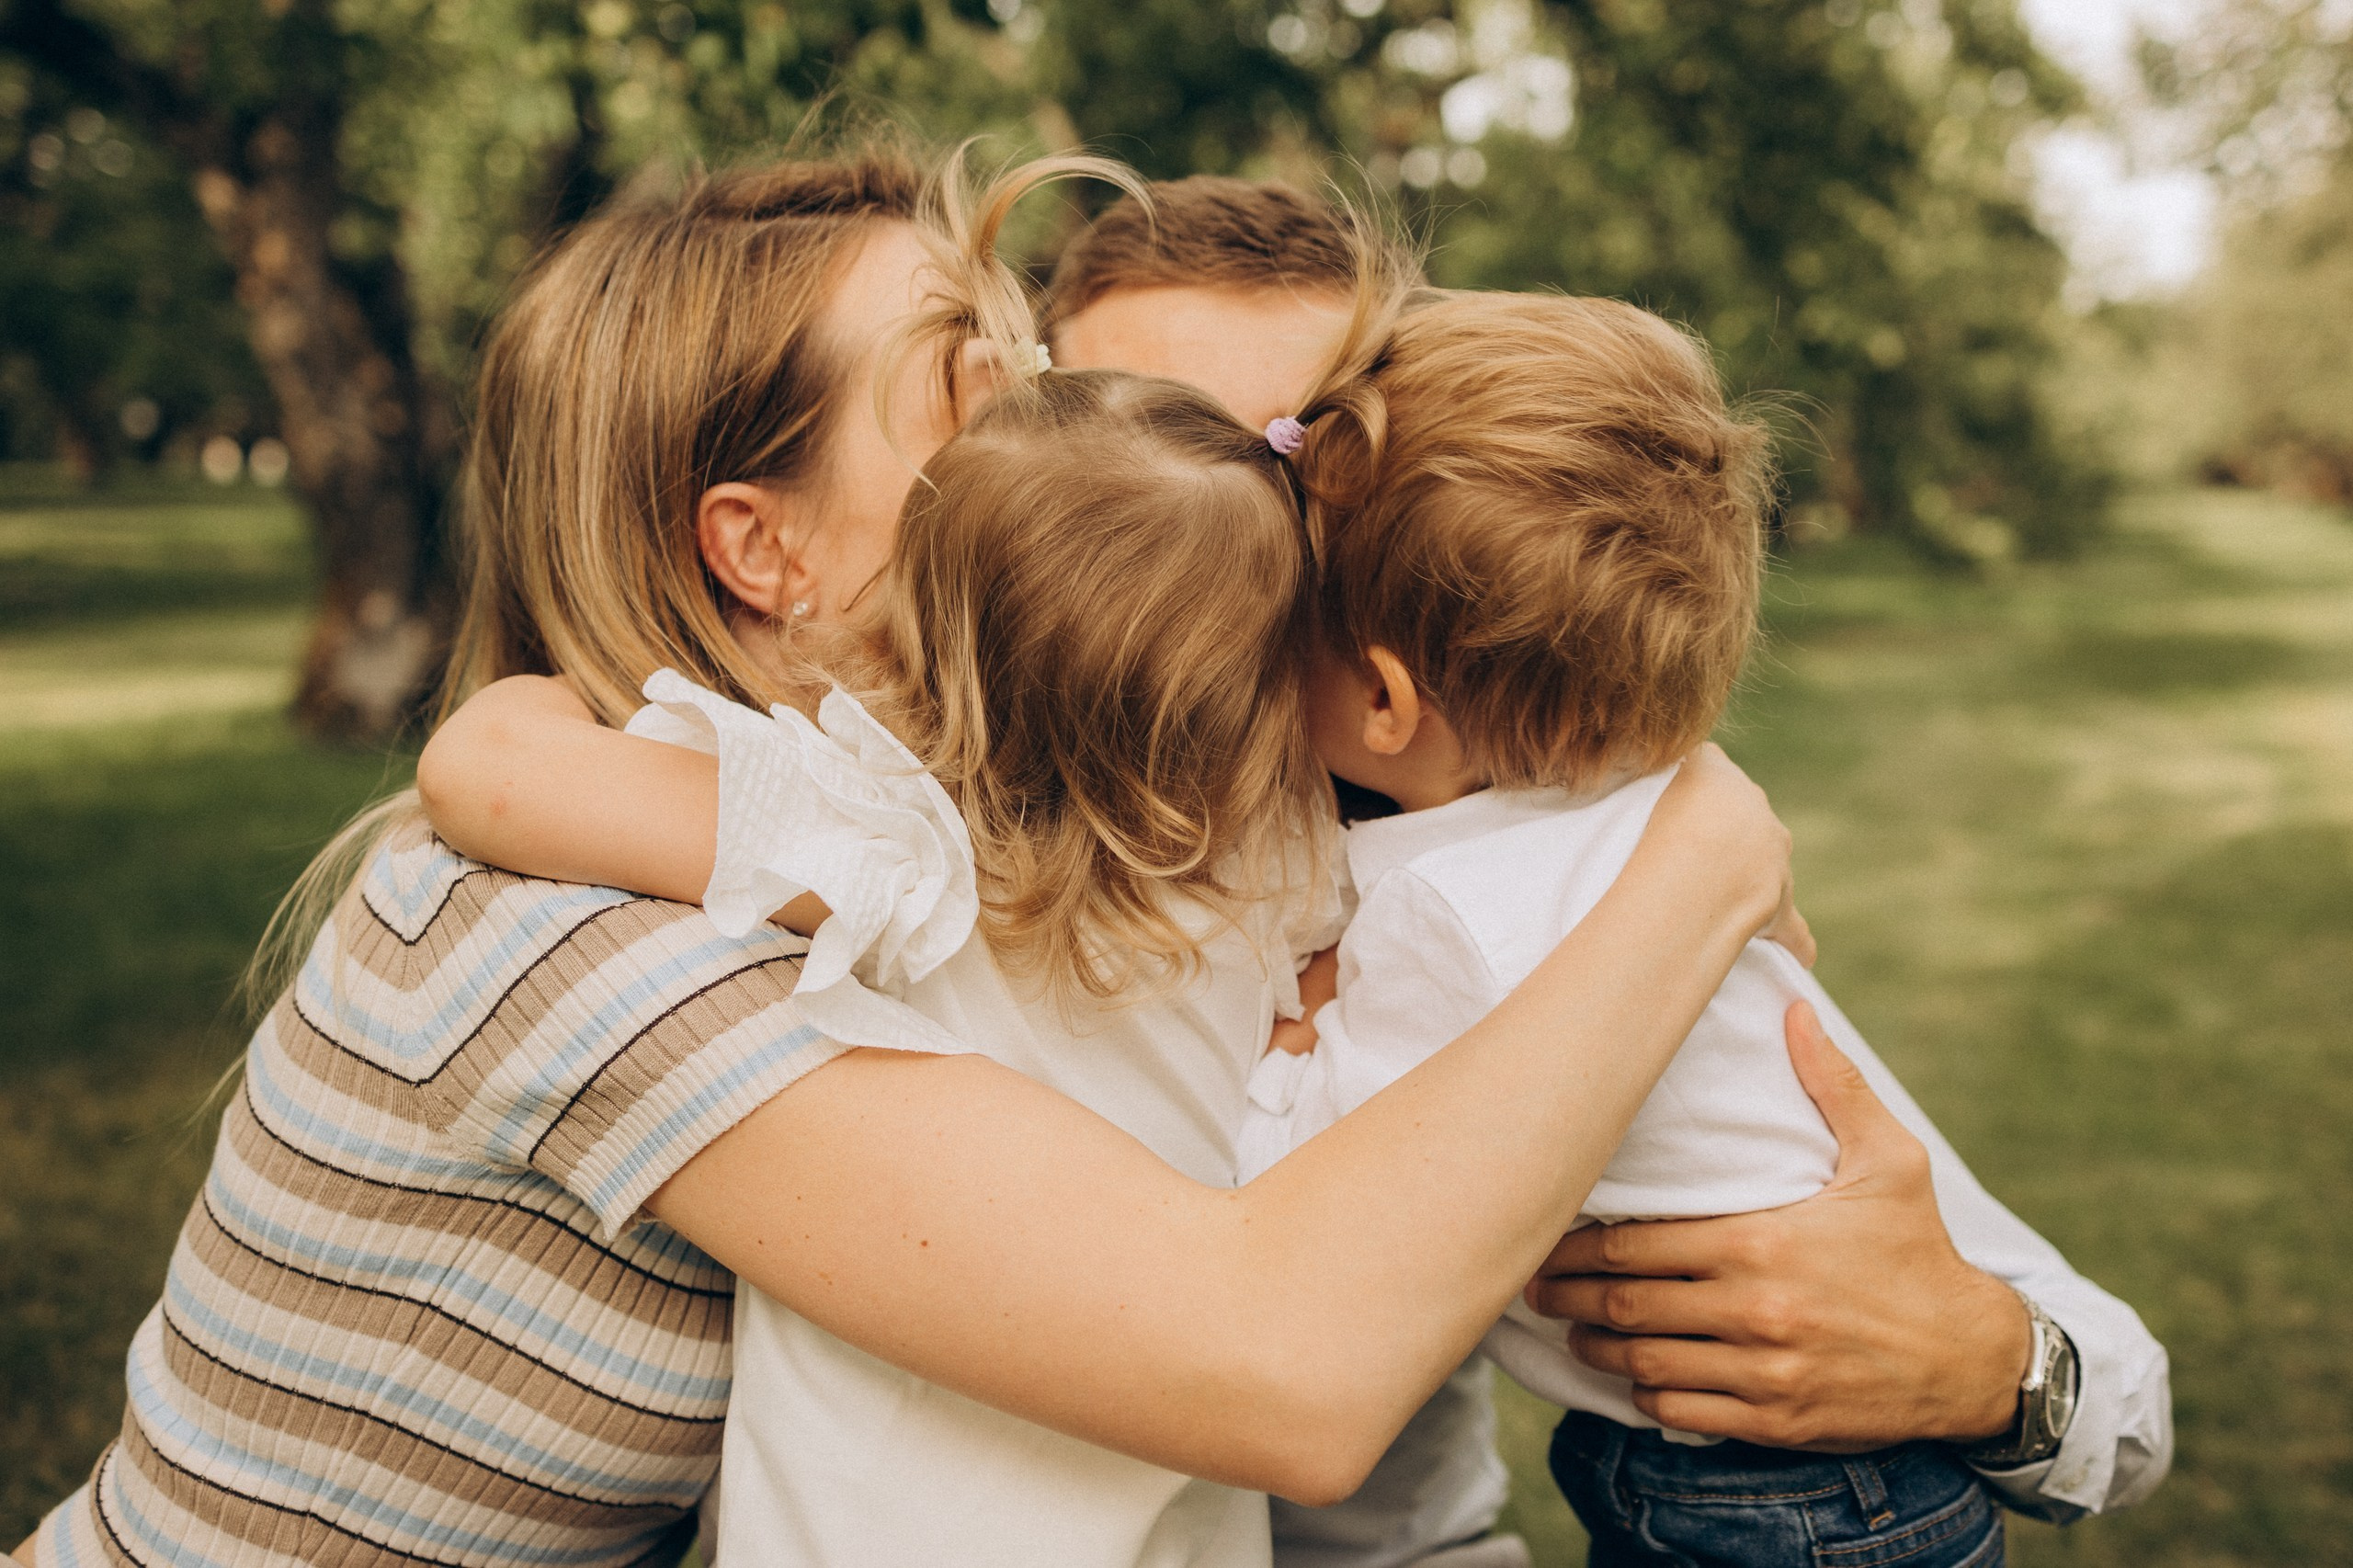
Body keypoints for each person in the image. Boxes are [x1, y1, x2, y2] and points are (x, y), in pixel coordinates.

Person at [17, 145, 1802, 1568]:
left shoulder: (934, 839)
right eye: (981, 382)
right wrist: (1699, 842)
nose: (1080, 423)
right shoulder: (616, 935)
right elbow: (1285, 1363)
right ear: (761, 550)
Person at [1045, 178, 2171, 1566]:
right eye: (1142, 465)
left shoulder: (1550, 870)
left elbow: (2117, 1393)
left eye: (1286, 486)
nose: (1225, 548)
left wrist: (1994, 1365)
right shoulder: (1662, 848)